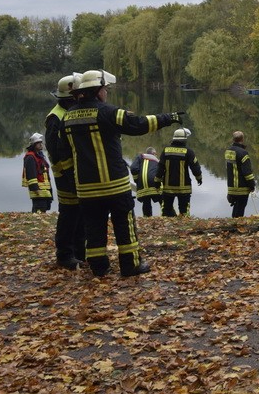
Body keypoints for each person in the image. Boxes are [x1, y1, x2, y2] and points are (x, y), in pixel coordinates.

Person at [57, 69, 179, 278]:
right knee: (124, 226)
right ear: (97, 90)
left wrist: (72, 181)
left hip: (86, 188)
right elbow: (138, 125)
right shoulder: (108, 112)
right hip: (115, 184)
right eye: (105, 89)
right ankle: (130, 266)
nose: (106, 92)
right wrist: (168, 118)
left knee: (94, 229)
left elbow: (65, 155)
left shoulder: (67, 117)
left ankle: (99, 268)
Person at [45, 72, 85, 270]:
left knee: (79, 213)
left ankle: (79, 253)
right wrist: (67, 176)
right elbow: (55, 152)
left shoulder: (69, 113)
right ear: (71, 98)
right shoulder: (55, 118)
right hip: (65, 176)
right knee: (69, 214)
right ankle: (64, 255)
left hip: (75, 174)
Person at [158, 127, 202, 217]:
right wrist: (199, 178)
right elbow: (195, 167)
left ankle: (168, 227)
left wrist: (157, 180)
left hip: (168, 186)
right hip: (183, 188)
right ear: (184, 139)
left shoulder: (166, 150)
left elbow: (160, 167)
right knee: (184, 210)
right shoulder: (188, 151)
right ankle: (184, 227)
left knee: (167, 209)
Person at [225, 130, 256, 218]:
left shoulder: (228, 151)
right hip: (241, 187)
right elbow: (247, 173)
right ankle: (237, 228)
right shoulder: (243, 153)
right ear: (242, 139)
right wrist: (252, 185)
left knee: (236, 208)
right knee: (240, 209)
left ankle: (234, 226)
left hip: (231, 187)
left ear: (233, 139)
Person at [21, 132, 53, 213]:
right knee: (38, 210)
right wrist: (35, 189)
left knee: (43, 209)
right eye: (39, 143)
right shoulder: (30, 157)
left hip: (44, 190)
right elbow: (31, 175)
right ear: (34, 145)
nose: (41, 145)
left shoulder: (39, 156)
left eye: (41, 143)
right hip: (38, 191)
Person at [130, 146, 162, 217]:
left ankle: (147, 217)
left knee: (146, 202)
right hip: (154, 183)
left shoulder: (140, 157)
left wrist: (137, 180)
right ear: (154, 153)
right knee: (162, 200)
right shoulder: (157, 161)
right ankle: (166, 215)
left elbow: (133, 168)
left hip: (142, 185)